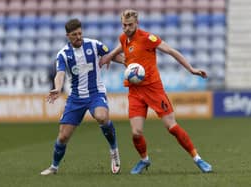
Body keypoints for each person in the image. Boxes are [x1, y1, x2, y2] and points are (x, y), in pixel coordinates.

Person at [99, 9, 212, 174]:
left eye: (130, 25)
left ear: (137, 23)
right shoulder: (123, 38)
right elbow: (119, 52)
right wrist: (108, 57)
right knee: (136, 132)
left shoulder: (148, 38)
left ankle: (198, 159)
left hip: (153, 89)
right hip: (135, 91)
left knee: (171, 127)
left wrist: (191, 69)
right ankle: (144, 160)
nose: (126, 28)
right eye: (124, 25)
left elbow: (171, 51)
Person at [40, 18, 124, 175]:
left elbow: (112, 55)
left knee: (102, 116)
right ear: (68, 36)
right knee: (63, 136)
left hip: (95, 93)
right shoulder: (63, 54)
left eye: (80, 33)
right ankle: (54, 166)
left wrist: (127, 62)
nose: (78, 37)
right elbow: (60, 73)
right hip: (76, 97)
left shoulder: (93, 44)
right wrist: (57, 88)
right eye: (74, 35)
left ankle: (114, 151)